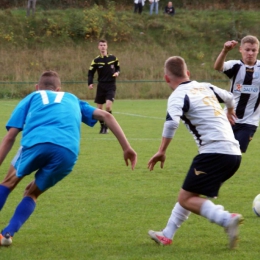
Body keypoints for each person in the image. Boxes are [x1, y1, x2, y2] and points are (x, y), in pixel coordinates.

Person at [0, 71, 137, 246]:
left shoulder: (34, 96)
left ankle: (7, 233)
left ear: (37, 87)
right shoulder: (72, 98)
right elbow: (106, 115)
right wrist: (126, 147)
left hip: (36, 142)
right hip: (68, 151)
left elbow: (11, 136)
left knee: (8, 183)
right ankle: (7, 234)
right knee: (32, 193)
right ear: (59, 89)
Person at [147, 56, 243, 249]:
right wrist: (230, 110)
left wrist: (161, 151)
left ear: (166, 79)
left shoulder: (177, 96)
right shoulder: (205, 86)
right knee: (188, 192)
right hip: (234, 153)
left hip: (215, 152)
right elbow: (230, 97)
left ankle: (226, 219)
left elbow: (172, 122)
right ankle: (166, 235)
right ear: (188, 73)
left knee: (185, 198)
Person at [214, 35, 260, 153]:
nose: (250, 53)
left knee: (236, 152)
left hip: (249, 122)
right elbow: (218, 67)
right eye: (247, 50)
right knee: (220, 150)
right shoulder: (235, 65)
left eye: (253, 50)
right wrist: (225, 51)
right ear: (240, 50)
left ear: (258, 51)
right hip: (229, 118)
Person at [88, 39, 120, 134]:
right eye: (101, 45)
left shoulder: (113, 58)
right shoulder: (96, 60)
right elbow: (90, 73)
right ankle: (103, 127)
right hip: (101, 86)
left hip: (111, 85)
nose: (103, 47)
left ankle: (109, 125)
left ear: (107, 46)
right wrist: (90, 83)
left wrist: (117, 72)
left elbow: (118, 67)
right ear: (98, 47)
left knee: (108, 107)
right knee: (99, 109)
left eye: (104, 45)